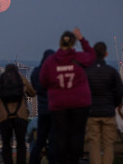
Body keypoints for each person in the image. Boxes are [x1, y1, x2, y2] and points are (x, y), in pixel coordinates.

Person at [40, 28, 96, 164]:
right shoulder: (79, 58)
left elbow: (43, 80)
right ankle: (74, 160)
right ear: (73, 43)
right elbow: (92, 56)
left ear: (60, 43)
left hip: (59, 104)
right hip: (80, 103)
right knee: (77, 134)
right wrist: (82, 39)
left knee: (60, 135)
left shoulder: (50, 61)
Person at [85, 42, 123, 164]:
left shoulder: (87, 72)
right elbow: (120, 91)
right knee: (108, 144)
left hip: (92, 113)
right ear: (106, 54)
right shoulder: (111, 72)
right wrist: (114, 104)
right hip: (108, 112)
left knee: (94, 144)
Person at [0, 64, 36, 164]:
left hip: (4, 116)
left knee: (6, 145)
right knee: (21, 143)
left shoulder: (0, 80)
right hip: (20, 115)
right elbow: (32, 93)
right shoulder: (22, 79)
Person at [29, 49, 55, 164]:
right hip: (55, 111)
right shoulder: (56, 72)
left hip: (43, 112)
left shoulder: (36, 72)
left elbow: (34, 88)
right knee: (54, 141)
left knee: (40, 142)